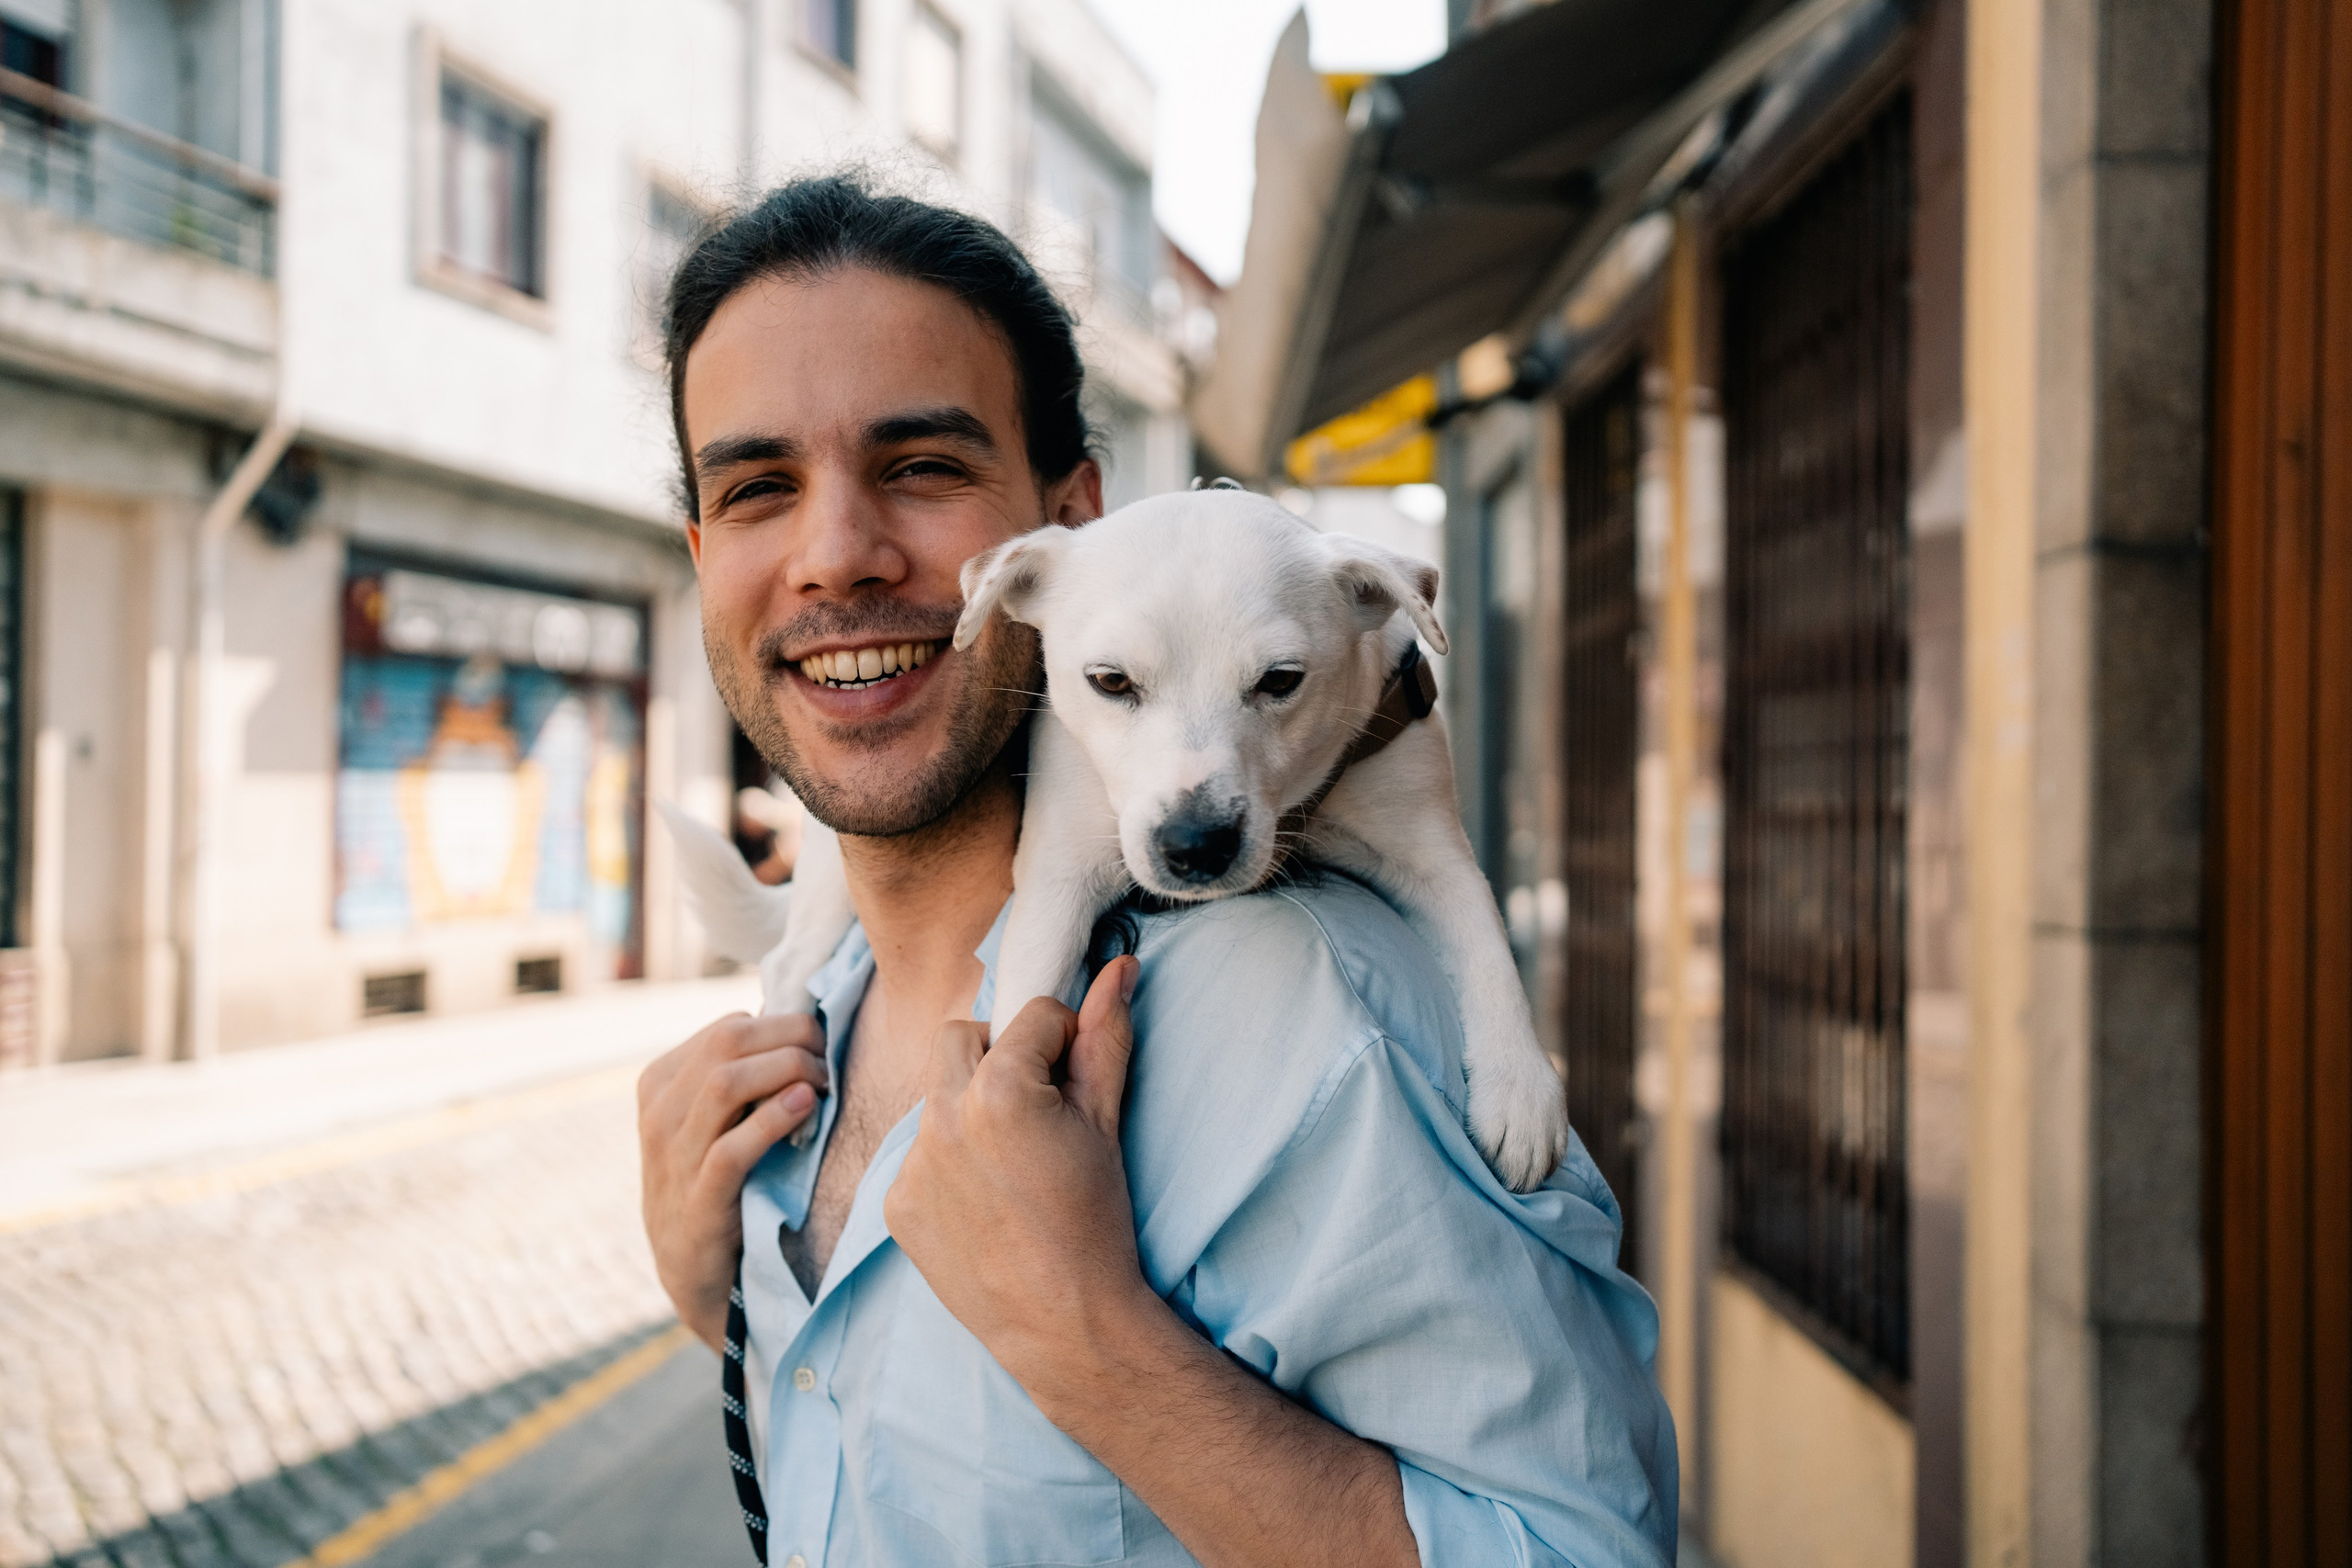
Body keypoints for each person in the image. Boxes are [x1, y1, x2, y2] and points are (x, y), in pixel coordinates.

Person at [635, 174, 1676, 1568]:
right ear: (703, 556)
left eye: (923, 466)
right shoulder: (802, 1024)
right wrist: (724, 1307)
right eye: (758, 488)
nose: (834, 558)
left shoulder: (1320, 1028)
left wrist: (1093, 1343)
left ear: (1074, 519)